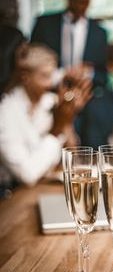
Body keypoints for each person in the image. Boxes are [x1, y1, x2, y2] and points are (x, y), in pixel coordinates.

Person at [0, 44, 92, 193]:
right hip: (11, 194)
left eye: (52, 75)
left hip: (44, 189)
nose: (50, 84)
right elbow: (27, 174)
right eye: (44, 76)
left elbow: (73, 157)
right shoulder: (5, 111)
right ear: (25, 76)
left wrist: (68, 119)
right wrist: (57, 128)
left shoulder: (50, 101)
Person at [31, 0, 108, 91]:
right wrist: (61, 74)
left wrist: (88, 73)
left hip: (86, 101)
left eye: (85, 2)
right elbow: (32, 67)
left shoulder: (99, 33)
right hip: (49, 96)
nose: (80, 7)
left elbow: (104, 78)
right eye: (76, 1)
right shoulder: (44, 25)